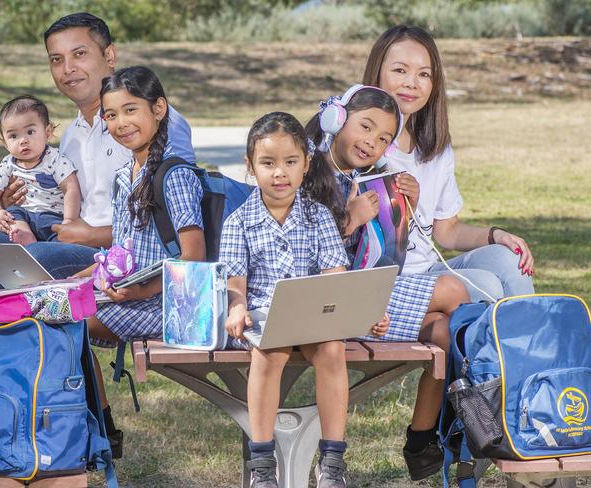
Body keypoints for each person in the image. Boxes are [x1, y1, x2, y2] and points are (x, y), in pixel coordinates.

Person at [0, 12, 196, 303]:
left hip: (123, 254)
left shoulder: (149, 121)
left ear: (110, 55)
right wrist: (11, 209)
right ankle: (19, 330)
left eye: (79, 54)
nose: (68, 69)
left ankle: (33, 327)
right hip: (60, 241)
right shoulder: (68, 138)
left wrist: (91, 236)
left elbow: (176, 218)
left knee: (31, 259)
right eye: (56, 59)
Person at [306, 84, 469, 481]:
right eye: (365, 127)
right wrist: (351, 219)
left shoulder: (369, 179)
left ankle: (422, 438)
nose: (371, 143)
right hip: (329, 303)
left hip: (368, 298)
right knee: (453, 291)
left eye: (383, 139)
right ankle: (469, 410)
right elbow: (305, 254)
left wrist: (402, 206)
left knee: (445, 332)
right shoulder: (310, 172)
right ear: (337, 120)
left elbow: (386, 252)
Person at [220, 111, 390, 488]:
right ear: (251, 167)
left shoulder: (318, 217)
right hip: (265, 315)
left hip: (314, 313)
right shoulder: (239, 222)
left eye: (290, 162)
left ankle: (332, 461)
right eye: (268, 163)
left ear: (306, 164)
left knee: (332, 349)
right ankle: (262, 463)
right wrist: (236, 308)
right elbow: (236, 282)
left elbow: (335, 278)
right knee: (269, 353)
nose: (279, 173)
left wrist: (362, 315)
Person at [73, 66, 206, 459]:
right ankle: (94, 429)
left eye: (131, 110)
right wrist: (75, 279)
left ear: (159, 108)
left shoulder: (174, 174)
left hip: (168, 303)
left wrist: (142, 290)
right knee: (54, 304)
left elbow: (194, 257)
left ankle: (97, 432)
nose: (120, 123)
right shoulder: (124, 176)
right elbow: (121, 252)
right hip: (132, 294)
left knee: (65, 321)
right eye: (111, 115)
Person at [362, 24, 534, 302]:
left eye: (424, 74)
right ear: (377, 71)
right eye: (399, 70)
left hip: (428, 271)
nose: (411, 83)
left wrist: (497, 235)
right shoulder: (359, 142)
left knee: (510, 260)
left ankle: (529, 343)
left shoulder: (436, 148)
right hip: (387, 281)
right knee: (487, 286)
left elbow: (447, 231)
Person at [0, 95, 81, 245]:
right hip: (24, 216)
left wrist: (69, 220)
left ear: (47, 132)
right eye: (13, 136)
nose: (23, 140)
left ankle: (51, 246)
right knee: (13, 213)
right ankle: (23, 236)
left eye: (30, 132)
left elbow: (71, 188)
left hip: (52, 217)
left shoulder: (54, 159)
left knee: (58, 236)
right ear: (4, 142)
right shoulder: (8, 163)